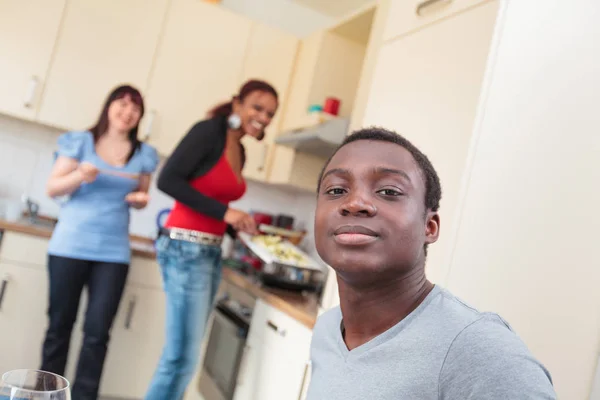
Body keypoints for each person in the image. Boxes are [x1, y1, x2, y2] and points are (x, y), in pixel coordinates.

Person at [306, 127, 557, 399]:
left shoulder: (481, 351)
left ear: (430, 226)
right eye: (337, 190)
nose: (355, 203)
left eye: (389, 191)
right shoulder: (328, 330)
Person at [145, 79, 279, 399]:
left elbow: (211, 200)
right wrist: (225, 213)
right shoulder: (208, 132)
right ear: (237, 104)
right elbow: (168, 180)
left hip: (209, 253)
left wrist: (237, 226)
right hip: (184, 248)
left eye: (270, 113)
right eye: (257, 107)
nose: (263, 116)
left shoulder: (241, 150)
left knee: (185, 358)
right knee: (180, 358)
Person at [41, 85, 159, 400]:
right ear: (109, 106)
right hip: (69, 246)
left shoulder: (143, 154)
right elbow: (53, 188)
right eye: (122, 103)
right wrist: (81, 174)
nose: (128, 111)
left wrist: (138, 200)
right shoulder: (79, 142)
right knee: (58, 328)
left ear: (140, 117)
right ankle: (47, 395)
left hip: (113, 253)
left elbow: (140, 196)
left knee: (97, 334)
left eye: (135, 107)